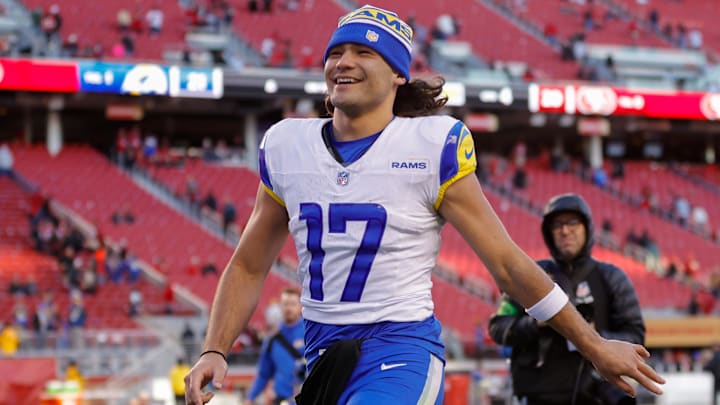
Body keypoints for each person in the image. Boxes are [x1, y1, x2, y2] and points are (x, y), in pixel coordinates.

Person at [184, 5, 664, 405]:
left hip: (401, 349)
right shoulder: (288, 145)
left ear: (396, 73)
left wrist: (593, 345)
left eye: (363, 52)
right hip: (323, 351)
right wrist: (215, 349)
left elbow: (506, 265)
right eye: (337, 52)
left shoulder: (431, 145)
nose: (343, 62)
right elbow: (248, 265)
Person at [489, 193, 646, 405]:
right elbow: (498, 327)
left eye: (573, 223)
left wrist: (594, 335)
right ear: (548, 232)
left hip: (597, 394)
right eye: (557, 225)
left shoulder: (611, 278)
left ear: (587, 228)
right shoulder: (530, 275)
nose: (565, 231)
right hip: (539, 395)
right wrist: (536, 323)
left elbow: (635, 336)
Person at [244, 288, 305, 405]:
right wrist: (250, 398)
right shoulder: (272, 339)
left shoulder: (309, 333)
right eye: (285, 304)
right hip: (283, 400)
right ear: (280, 307)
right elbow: (263, 374)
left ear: (300, 306)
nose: (289, 308)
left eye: (293, 304)